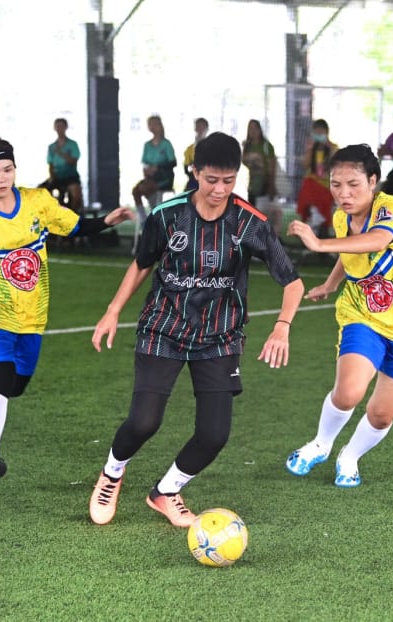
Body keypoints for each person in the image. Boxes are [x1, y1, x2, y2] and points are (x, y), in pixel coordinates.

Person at [88, 132, 304, 527]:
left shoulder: (249, 223)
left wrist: (282, 327)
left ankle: (166, 491)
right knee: (143, 422)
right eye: (211, 180)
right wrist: (113, 310)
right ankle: (111, 475)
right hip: (163, 327)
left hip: (220, 336)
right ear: (195, 173)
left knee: (214, 434)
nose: (220, 189)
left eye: (229, 180)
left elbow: (292, 281)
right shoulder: (167, 216)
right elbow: (142, 264)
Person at [0, 137, 134, 485]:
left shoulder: (37, 202)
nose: (2, 177)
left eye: (7, 169)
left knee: (14, 387)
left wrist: (105, 221)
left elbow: (73, 225)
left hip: (32, 313)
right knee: (1, 378)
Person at [285, 144, 393, 488]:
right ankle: (321, 444)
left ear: (373, 181)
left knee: (381, 414)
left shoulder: (391, 210)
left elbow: (377, 240)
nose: (344, 193)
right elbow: (350, 249)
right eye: (336, 184)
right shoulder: (343, 217)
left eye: (354, 184)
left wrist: (320, 244)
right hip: (363, 313)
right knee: (349, 393)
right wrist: (330, 283)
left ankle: (350, 456)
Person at [132, 115, 177, 226]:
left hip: (164, 177)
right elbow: (145, 162)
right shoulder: (147, 145)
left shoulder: (166, 144)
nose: (152, 127)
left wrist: (158, 168)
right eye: (150, 124)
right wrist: (147, 170)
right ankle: (144, 219)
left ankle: (156, 217)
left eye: (154, 124)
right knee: (136, 191)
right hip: (150, 177)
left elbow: (173, 162)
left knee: (145, 189)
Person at [297, 119, 339, 234]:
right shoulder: (311, 148)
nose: (319, 135)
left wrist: (329, 149)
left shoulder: (334, 148)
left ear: (327, 133)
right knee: (311, 213)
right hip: (311, 186)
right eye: (317, 133)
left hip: (326, 187)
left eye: (321, 133)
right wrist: (310, 149)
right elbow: (305, 165)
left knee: (324, 217)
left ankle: (322, 241)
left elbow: (335, 166)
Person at [38, 118, 83, 214]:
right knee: (40, 191)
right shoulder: (51, 147)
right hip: (57, 176)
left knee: (76, 196)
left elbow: (73, 161)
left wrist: (60, 153)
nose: (59, 129)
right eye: (57, 126)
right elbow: (50, 164)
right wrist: (51, 177)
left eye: (62, 126)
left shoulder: (73, 144)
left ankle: (73, 215)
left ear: (66, 127)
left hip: (71, 176)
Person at [242, 119, 277, 205]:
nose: (253, 131)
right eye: (250, 129)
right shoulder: (247, 146)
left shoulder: (267, 146)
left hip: (264, 184)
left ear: (260, 130)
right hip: (252, 185)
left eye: (255, 128)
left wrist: (271, 185)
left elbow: (272, 167)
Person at [182, 117, 209, 192]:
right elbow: (186, 166)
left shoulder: (212, 147)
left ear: (207, 129)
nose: (200, 129)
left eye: (202, 127)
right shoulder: (190, 149)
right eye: (198, 127)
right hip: (194, 176)